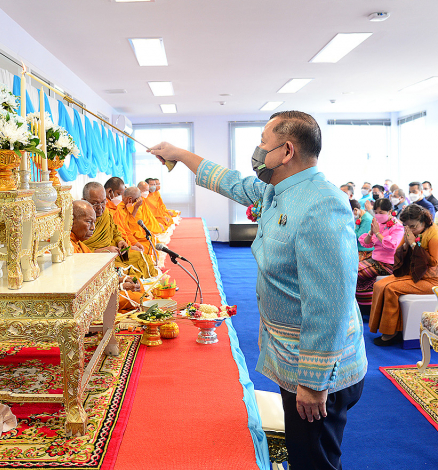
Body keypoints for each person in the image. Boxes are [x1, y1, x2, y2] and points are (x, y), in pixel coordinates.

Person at [148, 111, 366, 470]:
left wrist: (312, 383)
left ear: (286, 150)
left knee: (315, 462)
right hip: (294, 356)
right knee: (303, 454)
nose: (256, 151)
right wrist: (180, 154)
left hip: (317, 368)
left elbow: (330, 303)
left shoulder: (321, 204)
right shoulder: (279, 188)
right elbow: (231, 181)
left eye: (262, 143)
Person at [369, 204, 438, 345]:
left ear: (424, 222)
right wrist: (406, 245)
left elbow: (434, 262)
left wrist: (413, 245)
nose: (410, 229)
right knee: (379, 284)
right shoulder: (411, 230)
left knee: (391, 288)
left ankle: (391, 332)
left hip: (433, 280)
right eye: (407, 226)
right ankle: (388, 328)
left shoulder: (436, 234)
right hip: (414, 274)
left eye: (413, 226)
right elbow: (399, 250)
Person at [69, 200, 145, 311]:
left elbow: (95, 273)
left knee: (136, 282)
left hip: (99, 286)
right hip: (86, 299)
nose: (93, 228)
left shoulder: (78, 243)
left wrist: (120, 279)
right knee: (138, 299)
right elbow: (82, 286)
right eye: (89, 222)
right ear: (71, 221)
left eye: (94, 222)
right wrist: (118, 286)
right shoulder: (67, 248)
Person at [81, 181, 158, 279]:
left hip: (114, 253)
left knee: (143, 258)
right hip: (95, 258)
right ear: (84, 201)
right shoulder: (79, 220)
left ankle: (143, 285)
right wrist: (103, 251)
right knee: (125, 272)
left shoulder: (106, 213)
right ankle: (134, 287)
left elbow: (115, 231)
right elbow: (77, 251)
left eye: (103, 202)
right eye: (95, 204)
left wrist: (120, 240)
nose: (100, 207)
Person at [356, 198, 404, 311]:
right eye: (376, 212)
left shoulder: (397, 227)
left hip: (388, 264)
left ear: (390, 211)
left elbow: (392, 246)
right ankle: (364, 307)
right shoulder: (378, 223)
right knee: (351, 269)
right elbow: (366, 242)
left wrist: (377, 233)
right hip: (375, 260)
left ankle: (367, 307)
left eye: (381, 213)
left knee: (354, 272)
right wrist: (371, 233)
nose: (378, 215)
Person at [112, 186, 162, 254]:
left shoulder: (124, 205)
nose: (135, 202)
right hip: (122, 242)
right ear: (130, 199)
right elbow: (124, 229)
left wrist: (135, 243)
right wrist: (131, 246)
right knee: (146, 248)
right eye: (135, 200)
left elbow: (129, 225)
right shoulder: (117, 208)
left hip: (128, 237)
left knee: (150, 241)